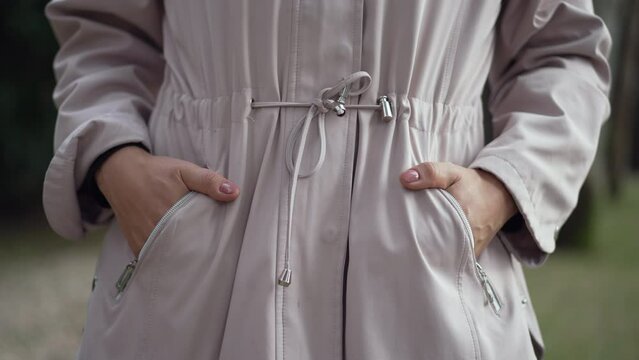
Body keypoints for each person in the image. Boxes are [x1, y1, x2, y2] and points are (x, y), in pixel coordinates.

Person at [43, 0, 611, 359]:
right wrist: (115, 157)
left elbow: (561, 50)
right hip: (198, 279)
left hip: (430, 277)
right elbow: (101, 32)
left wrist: (504, 183)